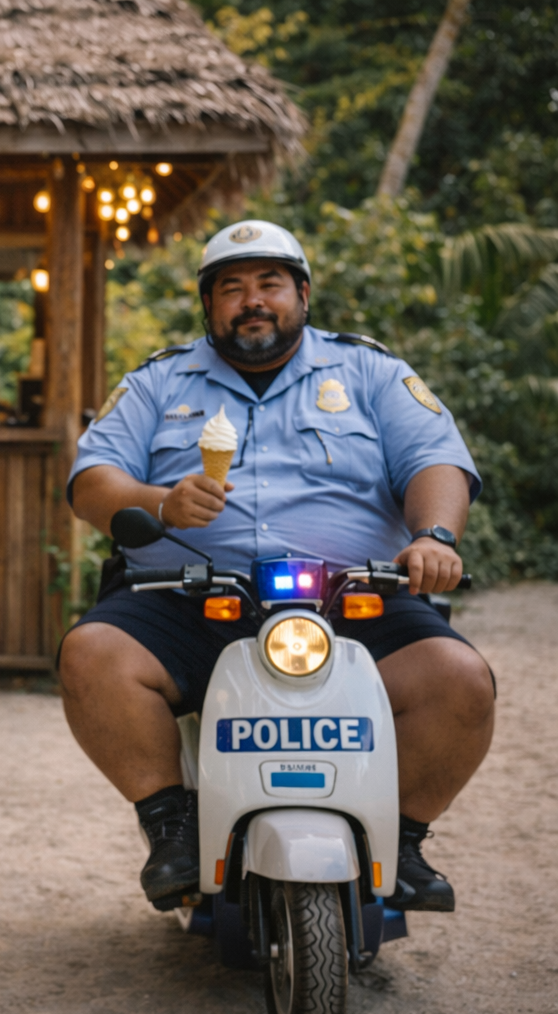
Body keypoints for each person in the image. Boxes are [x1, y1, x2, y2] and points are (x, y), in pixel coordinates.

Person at [58, 219, 494, 914]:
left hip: (353, 598)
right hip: (188, 598)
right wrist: (160, 504)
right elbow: (91, 483)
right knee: (91, 656)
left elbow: (434, 459)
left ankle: (403, 839)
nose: (252, 300)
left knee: (460, 681)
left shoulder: (370, 372)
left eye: (269, 284)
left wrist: (434, 535)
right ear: (209, 306)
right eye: (231, 288)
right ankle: (171, 826)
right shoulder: (156, 382)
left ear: (303, 294)